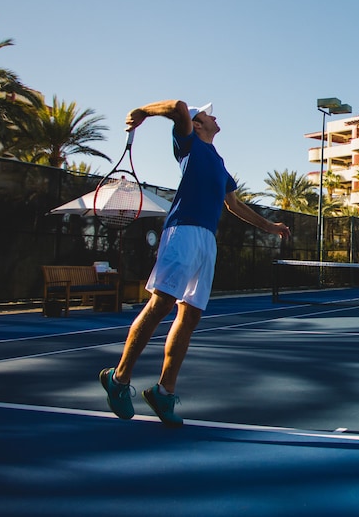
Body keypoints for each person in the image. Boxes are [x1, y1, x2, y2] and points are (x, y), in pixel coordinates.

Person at [99, 100, 290, 427]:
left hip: (206, 240)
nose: (214, 116)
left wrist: (270, 227)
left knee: (190, 316)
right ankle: (118, 380)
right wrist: (144, 112)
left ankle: (163, 391)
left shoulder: (217, 160)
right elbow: (177, 106)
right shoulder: (187, 143)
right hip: (183, 232)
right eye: (207, 114)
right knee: (161, 306)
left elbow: (234, 205)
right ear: (196, 124)